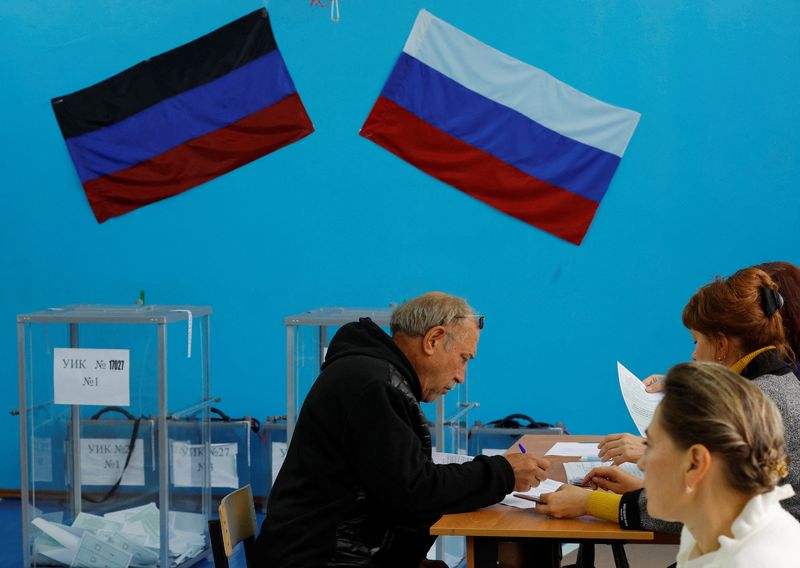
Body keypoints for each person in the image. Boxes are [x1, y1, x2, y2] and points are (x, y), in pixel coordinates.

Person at [256, 292, 550, 568]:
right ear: (434, 339)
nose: (461, 376)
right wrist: (504, 473)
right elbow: (416, 492)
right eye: (463, 359)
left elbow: (400, 485)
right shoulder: (372, 386)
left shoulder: (373, 376)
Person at [537, 266, 800, 530]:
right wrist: (640, 490)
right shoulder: (779, 386)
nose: (694, 355)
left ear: (721, 345)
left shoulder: (749, 406)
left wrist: (590, 503)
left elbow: (704, 507)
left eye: (696, 341)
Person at [645, 362, 799, 565]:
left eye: (650, 445)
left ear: (695, 463)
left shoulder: (753, 561)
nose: (641, 463)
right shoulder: (703, 530)